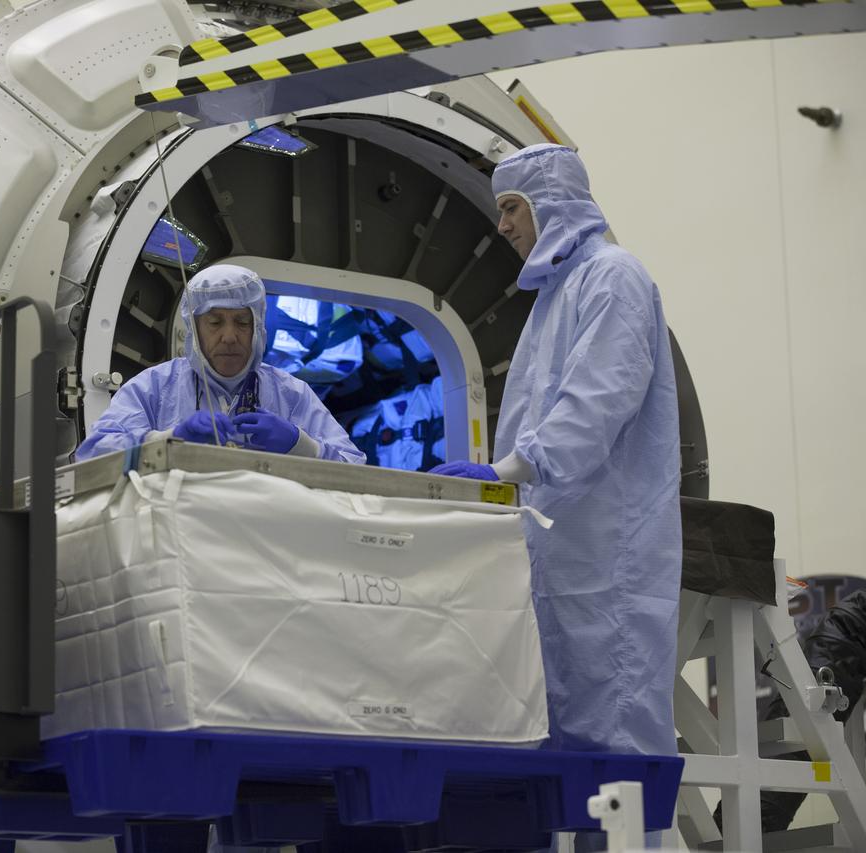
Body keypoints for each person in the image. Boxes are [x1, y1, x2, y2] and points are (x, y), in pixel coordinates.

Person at [432, 144, 681, 759]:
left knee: (616, 725)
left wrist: (504, 472)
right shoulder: (554, 297)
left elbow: (595, 404)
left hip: (609, 550)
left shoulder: (613, 276)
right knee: (565, 731)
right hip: (561, 547)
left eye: (511, 207)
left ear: (552, 202)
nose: (502, 225)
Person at [76, 264, 365, 464]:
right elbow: (91, 455)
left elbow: (354, 468)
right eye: (214, 322)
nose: (229, 337)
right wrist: (168, 439)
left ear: (258, 327)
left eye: (242, 322)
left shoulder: (292, 394)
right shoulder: (154, 387)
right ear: (194, 329)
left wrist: (300, 444)